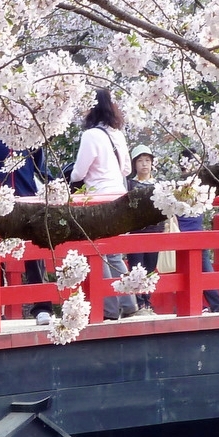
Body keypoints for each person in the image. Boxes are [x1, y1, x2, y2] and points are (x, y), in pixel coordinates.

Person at [0, 124, 52, 324]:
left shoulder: (29, 130)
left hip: (28, 198)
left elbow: (39, 168)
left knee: (35, 253)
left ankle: (42, 307)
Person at [69, 88, 137, 321]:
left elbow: (79, 172)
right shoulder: (117, 133)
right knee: (115, 253)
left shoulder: (91, 135)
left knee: (100, 253)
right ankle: (128, 303)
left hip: (98, 198)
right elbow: (127, 169)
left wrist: (70, 178)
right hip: (118, 195)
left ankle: (109, 308)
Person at [126, 144, 162, 316]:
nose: (144, 164)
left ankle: (147, 302)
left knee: (150, 267)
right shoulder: (129, 184)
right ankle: (138, 303)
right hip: (136, 231)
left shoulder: (160, 184)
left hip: (155, 230)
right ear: (134, 164)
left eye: (147, 160)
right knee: (136, 266)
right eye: (140, 161)